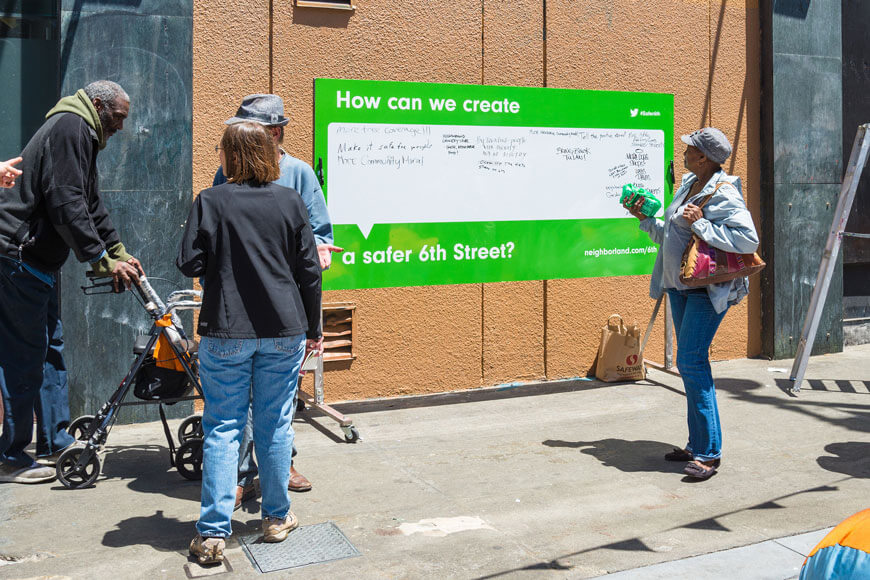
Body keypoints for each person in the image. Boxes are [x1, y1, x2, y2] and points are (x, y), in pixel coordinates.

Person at [178, 122, 323, 564]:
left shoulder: (210, 200)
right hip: (284, 329)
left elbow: (189, 262)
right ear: (268, 153)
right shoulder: (290, 201)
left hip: (226, 329)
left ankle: (212, 533)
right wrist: (314, 329)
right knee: (275, 423)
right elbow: (310, 271)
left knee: (222, 427)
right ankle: (276, 518)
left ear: (229, 156)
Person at [0, 80, 143, 484]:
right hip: (18, 257)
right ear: (98, 105)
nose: (120, 128)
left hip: (39, 262)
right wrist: (100, 259)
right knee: (25, 356)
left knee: (51, 350)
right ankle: (10, 457)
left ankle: (55, 441)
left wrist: (118, 251)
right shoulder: (71, 127)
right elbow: (65, 202)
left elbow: (90, 202)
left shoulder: (83, 132)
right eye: (117, 118)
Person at [214, 94, 340, 505]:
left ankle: (280, 465)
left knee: (277, 399)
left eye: (254, 129)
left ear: (276, 132)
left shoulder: (300, 173)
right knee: (241, 399)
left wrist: (320, 251)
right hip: (240, 303)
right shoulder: (225, 172)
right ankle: (241, 474)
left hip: (285, 302)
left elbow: (321, 232)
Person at [624, 127, 759, 480]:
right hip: (681, 288)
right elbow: (671, 237)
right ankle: (696, 442)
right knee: (690, 365)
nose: (684, 153)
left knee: (691, 362)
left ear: (705, 157)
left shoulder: (724, 192)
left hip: (705, 290)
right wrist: (645, 221)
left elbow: (747, 240)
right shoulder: (687, 185)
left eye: (690, 150)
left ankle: (709, 453)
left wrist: (702, 227)